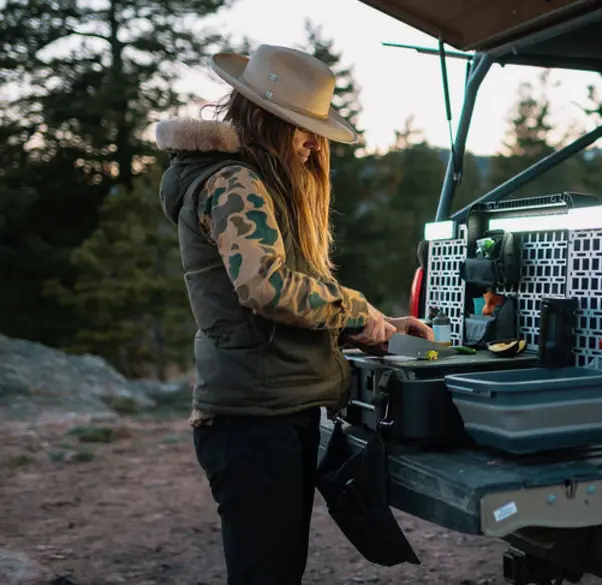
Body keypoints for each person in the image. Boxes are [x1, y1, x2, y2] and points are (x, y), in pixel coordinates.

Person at [155, 44, 434, 585]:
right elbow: (266, 288)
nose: (314, 143)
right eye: (305, 128)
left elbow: (278, 307)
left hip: (272, 411)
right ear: (269, 119)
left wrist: (375, 327)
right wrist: (355, 311)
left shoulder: (255, 182)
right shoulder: (234, 182)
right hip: (254, 419)